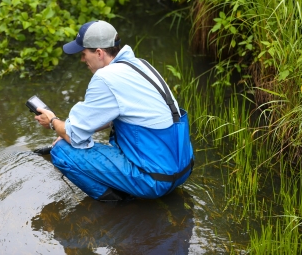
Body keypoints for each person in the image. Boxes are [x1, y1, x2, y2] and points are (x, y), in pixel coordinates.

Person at [35, 20, 194, 201]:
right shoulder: (141, 65)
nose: (82, 59)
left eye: (83, 53)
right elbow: (116, 117)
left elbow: (74, 136)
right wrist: (70, 130)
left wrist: (54, 122)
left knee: (62, 151)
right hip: (182, 169)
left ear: (99, 53)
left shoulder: (105, 78)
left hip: (156, 180)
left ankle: (120, 204)